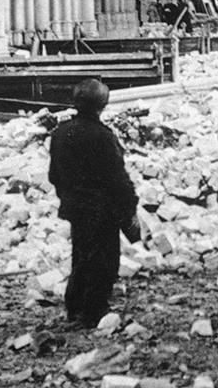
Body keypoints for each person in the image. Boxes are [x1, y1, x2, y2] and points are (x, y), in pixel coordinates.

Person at [46, 78, 142, 328]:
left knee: (81, 257)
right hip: (102, 210)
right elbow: (117, 178)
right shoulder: (102, 136)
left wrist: (68, 197)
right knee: (104, 262)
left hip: (75, 207)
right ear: (103, 104)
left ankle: (75, 308)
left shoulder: (60, 134)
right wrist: (129, 209)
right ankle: (92, 313)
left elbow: (54, 175)